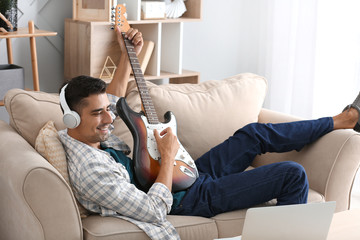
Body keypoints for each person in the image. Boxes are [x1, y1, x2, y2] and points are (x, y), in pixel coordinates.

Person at [58, 27, 360, 240]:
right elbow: (152, 209)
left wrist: (128, 54)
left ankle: (341, 120)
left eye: (106, 111)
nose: (108, 118)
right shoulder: (90, 171)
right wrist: (166, 158)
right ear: (72, 118)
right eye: (98, 113)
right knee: (292, 175)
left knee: (253, 133)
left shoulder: (92, 133)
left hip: (184, 170)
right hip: (186, 198)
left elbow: (114, 97)